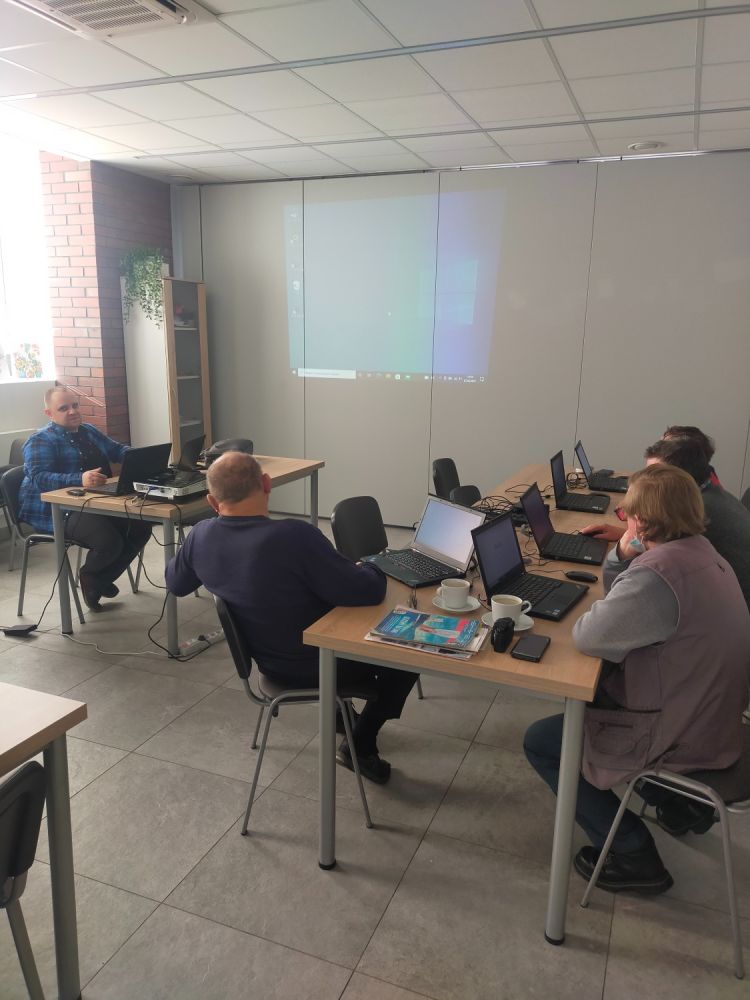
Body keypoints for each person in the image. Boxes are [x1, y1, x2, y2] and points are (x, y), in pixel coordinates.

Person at [524, 465, 750, 894]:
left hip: (682, 731)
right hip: (717, 721)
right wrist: (624, 554)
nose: (623, 514)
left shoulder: (658, 574)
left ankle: (632, 852)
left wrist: (620, 555)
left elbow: (590, 636)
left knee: (544, 741)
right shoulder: (700, 550)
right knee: (595, 694)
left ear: (644, 521)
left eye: (629, 510)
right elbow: (624, 601)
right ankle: (679, 804)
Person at [165, 451, 418, 783]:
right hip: (322, 663)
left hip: (270, 665)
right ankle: (361, 744)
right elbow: (369, 591)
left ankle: (340, 715)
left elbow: (176, 583)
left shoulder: (200, 536)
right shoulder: (294, 537)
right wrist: (371, 566)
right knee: (411, 650)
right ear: (266, 483)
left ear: (212, 501)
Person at [18, 386, 151, 610]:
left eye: (75, 405)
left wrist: (142, 457)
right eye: (63, 408)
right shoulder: (40, 440)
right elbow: (40, 478)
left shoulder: (88, 430)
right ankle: (93, 578)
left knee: (140, 528)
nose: (72, 411)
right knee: (109, 541)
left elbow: (117, 450)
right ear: (49, 413)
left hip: (94, 502)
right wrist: (79, 479)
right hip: (57, 509)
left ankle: (97, 579)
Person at [582, 436, 750, 610]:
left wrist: (621, 554)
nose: (645, 482)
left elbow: (619, 607)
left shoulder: (701, 512)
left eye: (655, 476)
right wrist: (631, 534)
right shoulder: (705, 499)